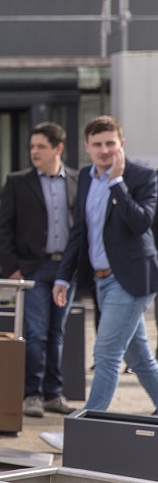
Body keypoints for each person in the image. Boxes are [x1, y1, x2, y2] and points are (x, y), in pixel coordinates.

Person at [54, 115, 158, 414]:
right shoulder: (85, 176)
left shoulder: (142, 176)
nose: (104, 150)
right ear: (87, 146)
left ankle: (87, 424)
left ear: (121, 144)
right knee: (139, 358)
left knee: (106, 353)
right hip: (101, 280)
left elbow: (140, 223)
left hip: (133, 279)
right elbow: (79, 231)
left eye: (110, 143)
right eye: (97, 144)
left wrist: (116, 182)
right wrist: (64, 277)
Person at [0, 122, 79, 417]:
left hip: (65, 272)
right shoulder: (18, 182)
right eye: (32, 146)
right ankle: (32, 394)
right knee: (36, 333)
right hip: (33, 271)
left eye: (41, 146)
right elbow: (2, 228)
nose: (34, 152)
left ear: (59, 148)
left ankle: (54, 394)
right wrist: (13, 269)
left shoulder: (77, 181)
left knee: (57, 333)